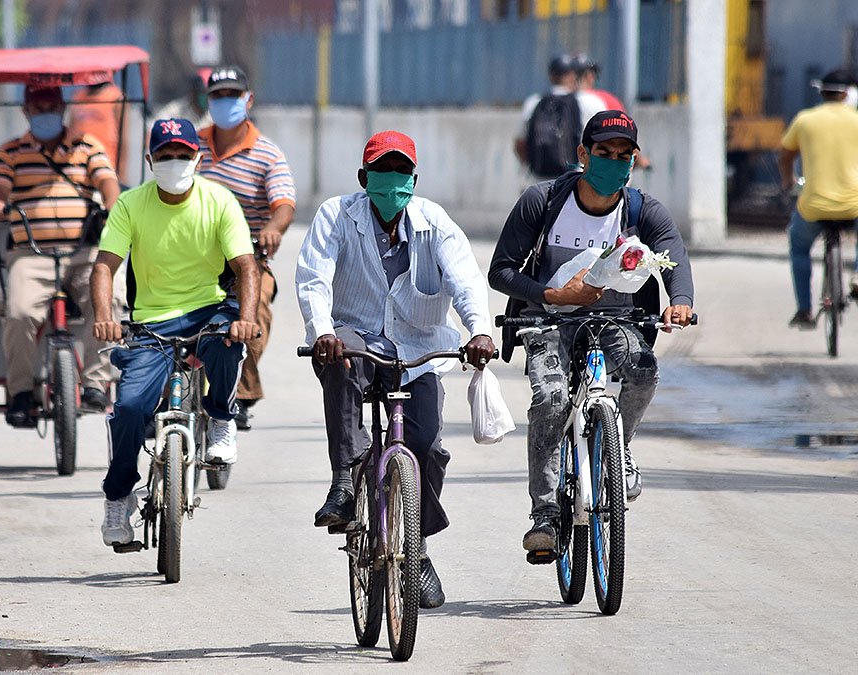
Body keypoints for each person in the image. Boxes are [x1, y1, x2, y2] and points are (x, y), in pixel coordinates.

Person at [296, 131, 496, 608]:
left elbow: (466, 280)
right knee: (341, 364)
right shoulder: (337, 216)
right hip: (356, 335)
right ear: (364, 179)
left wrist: (478, 331)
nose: (392, 183)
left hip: (419, 347)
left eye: (401, 173)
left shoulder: (434, 223)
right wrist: (321, 330)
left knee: (426, 447)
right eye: (382, 174)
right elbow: (314, 277)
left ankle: (417, 548)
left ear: (414, 179)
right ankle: (345, 481)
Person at [488, 111, 695, 560]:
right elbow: (500, 271)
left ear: (634, 161)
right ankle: (544, 514)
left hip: (619, 321)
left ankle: (618, 452)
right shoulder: (541, 201)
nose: (614, 162)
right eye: (604, 153)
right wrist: (551, 293)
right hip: (548, 320)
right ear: (583, 154)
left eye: (624, 155)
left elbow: (673, 257)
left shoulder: (642, 210)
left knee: (643, 372)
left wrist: (680, 300)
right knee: (552, 399)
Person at [92, 118, 260, 546]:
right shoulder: (131, 205)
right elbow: (104, 266)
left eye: (183, 155)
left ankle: (221, 417)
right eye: (166, 156)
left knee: (227, 344)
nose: (175, 163)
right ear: (150, 160)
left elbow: (245, 266)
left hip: (209, 310)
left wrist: (247, 316)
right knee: (129, 408)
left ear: (198, 158)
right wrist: (103, 315)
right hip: (151, 321)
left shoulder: (219, 201)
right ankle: (118, 496)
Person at [0, 84, 125, 425]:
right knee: (18, 312)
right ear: (26, 111)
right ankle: (20, 392)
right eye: (38, 106)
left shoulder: (88, 147)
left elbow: (108, 184)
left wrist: (112, 208)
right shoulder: (11, 151)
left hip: (83, 254)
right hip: (31, 254)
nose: (44, 111)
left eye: (51, 105)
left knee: (110, 303)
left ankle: (95, 382)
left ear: (62, 108)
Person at [196, 65, 297, 430]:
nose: (224, 103)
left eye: (231, 95)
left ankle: (238, 393)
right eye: (217, 96)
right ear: (207, 101)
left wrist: (273, 228)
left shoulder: (267, 153)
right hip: (192, 257)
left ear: (248, 100)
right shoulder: (190, 146)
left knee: (253, 317)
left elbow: (283, 202)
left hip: (246, 260)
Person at [779, 68, 858, 328]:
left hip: (814, 206)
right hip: (853, 204)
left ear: (821, 92)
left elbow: (786, 155)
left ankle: (804, 310)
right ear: (846, 94)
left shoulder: (805, 120)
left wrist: (788, 181)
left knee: (799, 248)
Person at [514, 55, 606, 180]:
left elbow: (520, 144)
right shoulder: (588, 102)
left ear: (551, 76)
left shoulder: (534, 102)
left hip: (538, 179)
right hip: (575, 178)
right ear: (574, 75)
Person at [68, 80, 128, 183]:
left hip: (106, 166)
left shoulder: (116, 97)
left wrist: (121, 175)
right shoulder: (78, 97)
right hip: (78, 166)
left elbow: (123, 140)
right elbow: (70, 134)